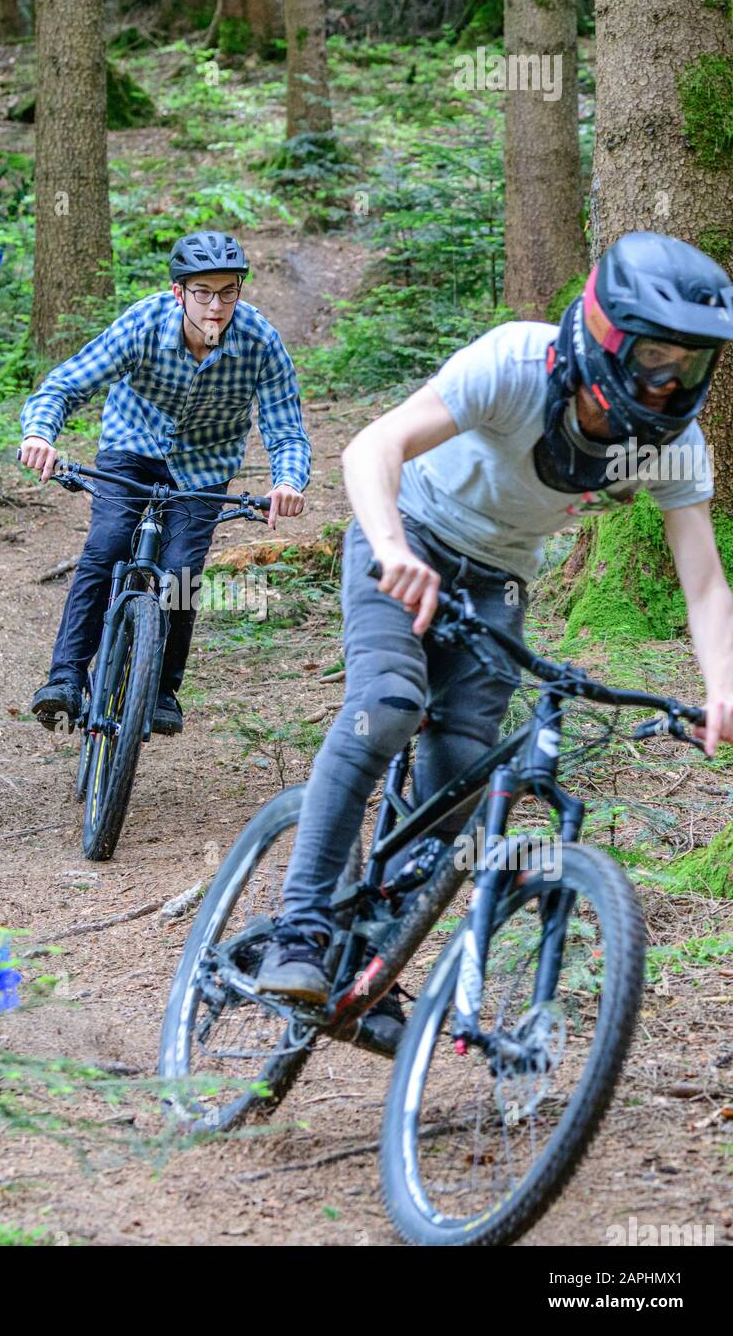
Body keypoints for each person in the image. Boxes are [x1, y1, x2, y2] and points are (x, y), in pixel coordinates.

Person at [256, 230, 733, 1051]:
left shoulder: (670, 446)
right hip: (403, 531)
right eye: (655, 355)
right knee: (388, 703)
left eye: (688, 366)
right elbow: (374, 446)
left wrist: (722, 686)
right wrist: (395, 548)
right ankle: (299, 931)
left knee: (465, 767)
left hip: (498, 574)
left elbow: (704, 582)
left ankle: (370, 958)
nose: (666, 382)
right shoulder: (516, 364)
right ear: (606, 335)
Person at [20, 231, 311, 736]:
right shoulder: (144, 324)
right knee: (107, 545)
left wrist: (288, 481)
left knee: (179, 575)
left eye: (227, 292)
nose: (216, 306)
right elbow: (68, 383)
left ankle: (161, 691)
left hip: (205, 466)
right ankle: (65, 678)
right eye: (203, 292)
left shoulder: (260, 341)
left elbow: (285, 428)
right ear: (180, 293)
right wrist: (40, 434)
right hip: (131, 449)